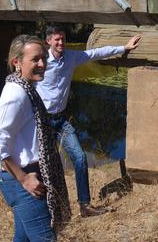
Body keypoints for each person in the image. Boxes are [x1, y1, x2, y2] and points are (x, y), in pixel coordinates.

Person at [36, 25, 141, 217]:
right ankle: (44, 208)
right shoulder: (41, 62)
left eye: (63, 39)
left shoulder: (71, 57)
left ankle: (84, 206)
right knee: (44, 164)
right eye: (57, 39)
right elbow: (26, 80)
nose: (61, 43)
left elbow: (95, 53)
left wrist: (124, 48)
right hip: (42, 121)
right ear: (48, 41)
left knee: (80, 157)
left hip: (61, 120)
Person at [0, 35, 71, 241]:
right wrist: (23, 178)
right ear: (17, 62)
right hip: (23, 180)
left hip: (30, 175)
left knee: (22, 238)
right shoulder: (16, 96)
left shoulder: (27, 89)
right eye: (35, 59)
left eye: (44, 58)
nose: (42, 64)